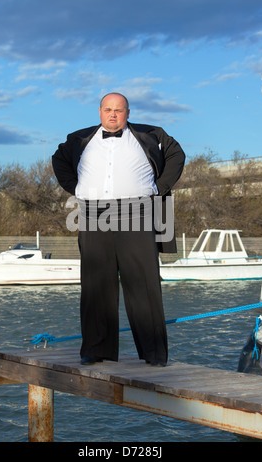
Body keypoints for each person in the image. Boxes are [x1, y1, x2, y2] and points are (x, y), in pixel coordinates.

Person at [52, 92, 185, 367]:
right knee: (95, 284)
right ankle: (95, 349)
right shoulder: (78, 139)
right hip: (92, 213)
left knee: (143, 283)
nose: (113, 114)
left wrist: (159, 188)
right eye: (108, 109)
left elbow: (177, 155)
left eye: (119, 110)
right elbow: (58, 159)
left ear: (127, 113)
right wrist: (74, 187)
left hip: (137, 211)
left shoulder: (152, 135)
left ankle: (154, 354)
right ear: (99, 111)